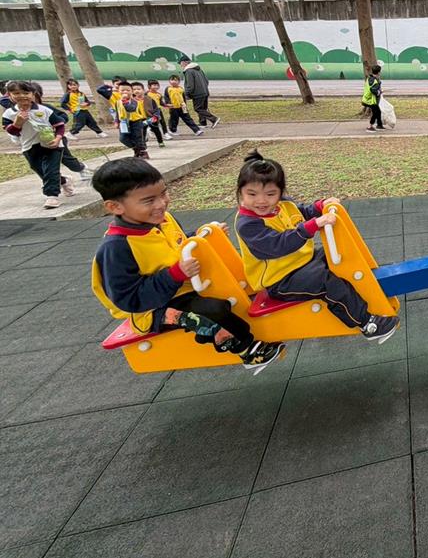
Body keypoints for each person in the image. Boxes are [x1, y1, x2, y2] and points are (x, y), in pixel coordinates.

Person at [91, 157, 285, 373]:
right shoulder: (117, 248)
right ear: (115, 206)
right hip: (151, 309)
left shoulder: (163, 220)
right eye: (148, 201)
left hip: (182, 287)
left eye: (163, 193)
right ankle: (246, 349)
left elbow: (178, 242)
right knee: (209, 311)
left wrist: (202, 235)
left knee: (233, 288)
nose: (161, 204)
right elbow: (129, 300)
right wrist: (174, 275)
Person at [234, 150, 399, 343]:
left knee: (341, 257)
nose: (262, 201)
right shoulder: (248, 224)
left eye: (270, 194)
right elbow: (277, 245)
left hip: (303, 262)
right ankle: (366, 323)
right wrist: (311, 226)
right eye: (252, 194)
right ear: (240, 192)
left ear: (280, 193)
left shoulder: (282, 205)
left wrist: (320, 206)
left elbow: (301, 212)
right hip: (280, 280)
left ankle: (372, 291)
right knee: (325, 282)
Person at [2, 80, 72, 208]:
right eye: (16, 93)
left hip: (52, 145)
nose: (22, 96)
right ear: (9, 95)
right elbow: (12, 132)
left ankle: (52, 196)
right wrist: (17, 123)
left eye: (25, 93)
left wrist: (58, 139)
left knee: (50, 170)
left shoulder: (44, 110)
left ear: (33, 94)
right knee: (41, 171)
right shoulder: (9, 113)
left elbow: (60, 125)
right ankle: (63, 181)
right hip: (29, 146)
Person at [177, 56, 220, 128]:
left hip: (197, 93)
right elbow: (206, 81)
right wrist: (204, 89)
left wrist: (187, 94)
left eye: (180, 63)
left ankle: (214, 119)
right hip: (205, 92)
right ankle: (203, 123)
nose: (180, 65)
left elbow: (190, 85)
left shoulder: (188, 71)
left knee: (198, 109)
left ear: (185, 62)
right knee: (203, 108)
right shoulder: (199, 69)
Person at [111, 81, 149, 159]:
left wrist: (124, 101)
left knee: (137, 137)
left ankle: (142, 152)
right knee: (123, 138)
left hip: (135, 121)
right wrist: (116, 121)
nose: (125, 92)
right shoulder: (117, 102)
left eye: (128, 90)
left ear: (131, 91)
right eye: (122, 90)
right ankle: (137, 149)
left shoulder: (135, 101)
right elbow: (118, 112)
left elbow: (131, 109)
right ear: (118, 91)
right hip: (124, 122)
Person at [138, 82, 166, 148]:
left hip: (150, 117)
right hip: (141, 118)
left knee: (156, 129)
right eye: (134, 89)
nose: (136, 91)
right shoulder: (132, 100)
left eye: (138, 89)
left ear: (143, 90)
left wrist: (155, 116)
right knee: (142, 131)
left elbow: (156, 108)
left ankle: (160, 141)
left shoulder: (149, 99)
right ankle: (143, 143)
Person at [362, 65, 384, 132]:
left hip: (367, 98)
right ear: (378, 72)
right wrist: (379, 92)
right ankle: (370, 126)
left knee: (378, 111)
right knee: (375, 113)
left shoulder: (369, 78)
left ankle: (379, 125)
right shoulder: (374, 81)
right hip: (371, 100)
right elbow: (373, 90)